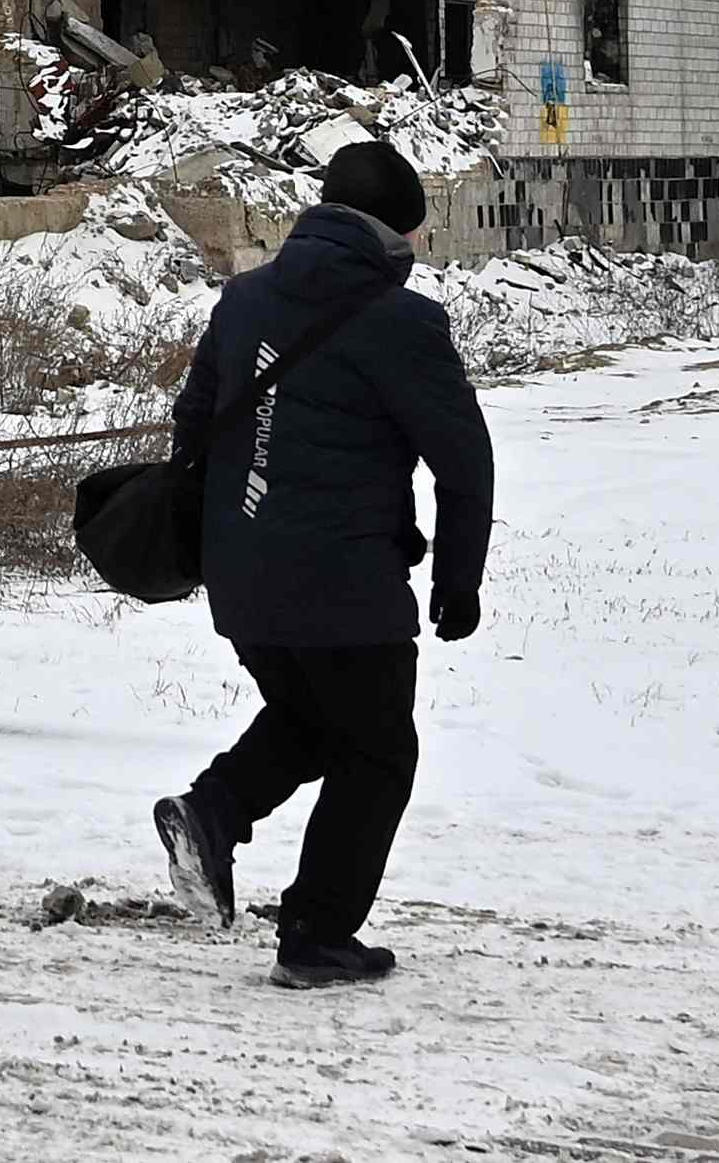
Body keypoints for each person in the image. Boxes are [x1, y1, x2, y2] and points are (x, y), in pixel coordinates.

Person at [148, 139, 495, 989]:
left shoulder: (244, 301)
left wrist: (228, 533)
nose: (416, 254)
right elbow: (464, 459)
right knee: (378, 752)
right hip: (345, 586)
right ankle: (315, 933)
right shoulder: (402, 323)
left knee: (315, 717)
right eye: (411, 237)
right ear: (386, 234)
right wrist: (458, 578)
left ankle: (213, 811)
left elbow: (192, 428)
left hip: (241, 576)